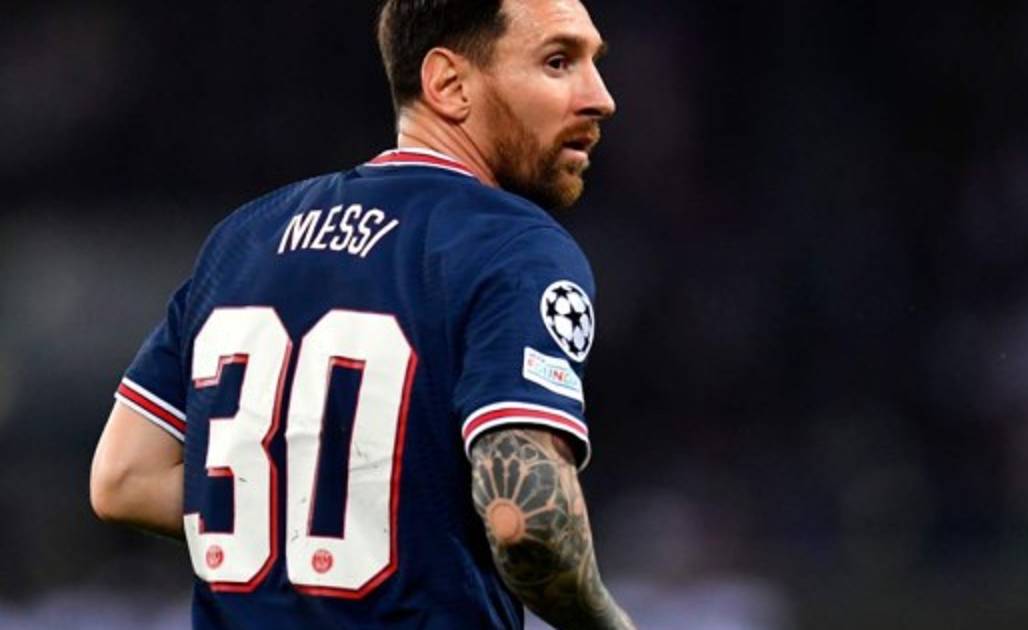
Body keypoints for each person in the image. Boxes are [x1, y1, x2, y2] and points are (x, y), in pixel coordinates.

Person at [89, 0, 634, 627]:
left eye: (594, 63)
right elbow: (526, 525)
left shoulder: (245, 237)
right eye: (558, 62)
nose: (601, 98)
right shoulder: (514, 246)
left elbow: (124, 478)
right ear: (448, 84)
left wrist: (313, 517)